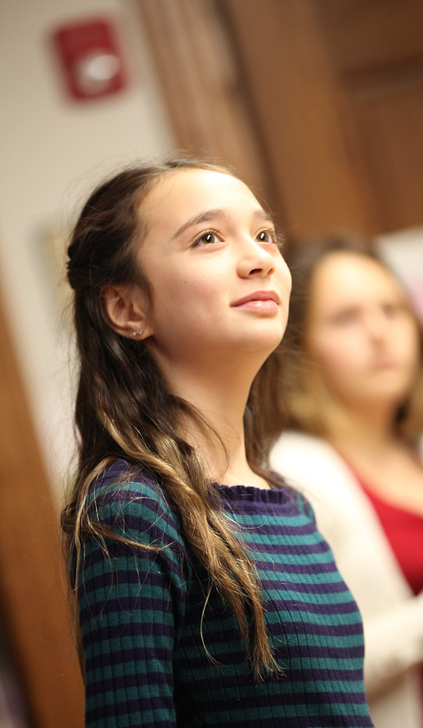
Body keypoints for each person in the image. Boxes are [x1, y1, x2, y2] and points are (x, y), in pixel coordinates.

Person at [62, 160, 374, 728]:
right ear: (128, 309)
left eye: (263, 235)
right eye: (208, 238)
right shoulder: (132, 509)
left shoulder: (288, 503)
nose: (259, 259)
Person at [270, 235, 423, 728]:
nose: (380, 333)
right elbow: (318, 668)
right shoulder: (291, 475)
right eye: (346, 318)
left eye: (392, 310)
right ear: (299, 347)